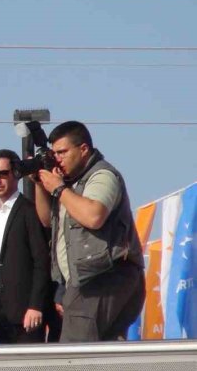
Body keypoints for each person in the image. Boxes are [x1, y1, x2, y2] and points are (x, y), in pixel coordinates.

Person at [33, 121, 145, 342]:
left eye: (63, 152)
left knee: (75, 355)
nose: (57, 159)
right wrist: (40, 184)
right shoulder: (69, 185)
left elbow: (94, 216)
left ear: (83, 149)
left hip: (101, 278)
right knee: (102, 355)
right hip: (87, 281)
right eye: (54, 154)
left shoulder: (102, 175)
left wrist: (58, 188)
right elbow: (47, 220)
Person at [0, 150, 52, 344]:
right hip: (0, 315)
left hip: (27, 314)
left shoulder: (29, 211)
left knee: (30, 363)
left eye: (3, 173)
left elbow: (42, 261)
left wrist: (35, 306)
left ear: (16, 173)